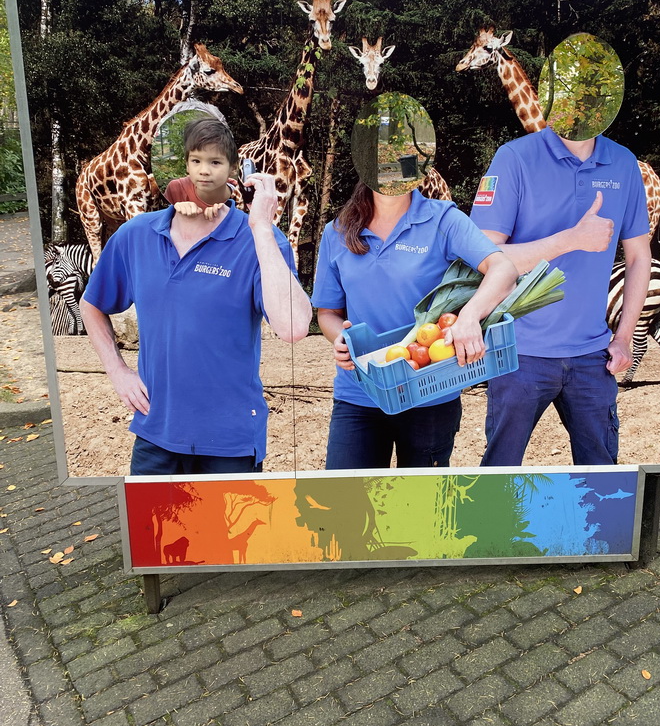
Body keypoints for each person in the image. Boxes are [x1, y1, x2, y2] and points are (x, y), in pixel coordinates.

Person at [80, 118, 312, 475]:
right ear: (184, 165)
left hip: (229, 443)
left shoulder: (259, 241)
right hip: (155, 434)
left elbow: (294, 327)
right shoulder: (137, 234)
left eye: (216, 162)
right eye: (196, 161)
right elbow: (91, 303)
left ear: (235, 169)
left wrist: (263, 227)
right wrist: (117, 370)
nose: (204, 172)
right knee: (153, 533)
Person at [470, 125, 652, 466]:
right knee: (499, 472)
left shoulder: (623, 162)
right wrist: (570, 239)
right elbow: (484, 255)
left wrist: (624, 337)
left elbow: (639, 256)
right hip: (517, 353)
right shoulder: (515, 157)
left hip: (592, 355)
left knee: (601, 475)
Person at [312, 182, 518, 469]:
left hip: (429, 393)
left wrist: (470, 316)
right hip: (360, 394)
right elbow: (327, 313)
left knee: (423, 510)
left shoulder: (443, 219)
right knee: (349, 507)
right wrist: (341, 339)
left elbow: (504, 268)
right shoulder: (338, 231)